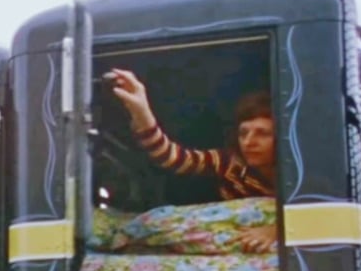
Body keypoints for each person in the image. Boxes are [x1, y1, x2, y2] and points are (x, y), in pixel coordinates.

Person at [108, 68, 277, 253]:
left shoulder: (299, 172)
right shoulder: (229, 162)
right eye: (243, 133)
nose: (248, 142)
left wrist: (276, 231)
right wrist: (141, 110)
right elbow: (171, 157)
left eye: (262, 133)